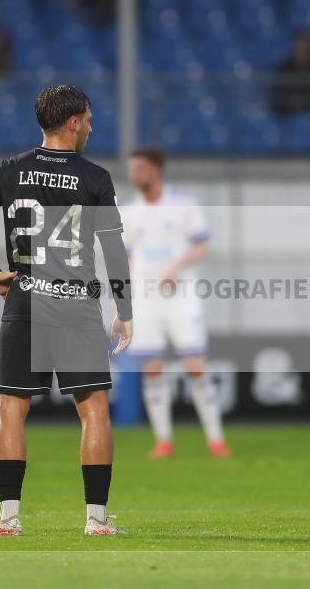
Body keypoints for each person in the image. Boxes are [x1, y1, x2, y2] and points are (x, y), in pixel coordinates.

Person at [0, 85, 132, 537]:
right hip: (76, 306)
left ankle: (8, 519)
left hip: (25, 299)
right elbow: (113, 247)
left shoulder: (9, 170)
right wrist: (124, 309)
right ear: (73, 123)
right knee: (93, 412)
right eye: (88, 120)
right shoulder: (95, 177)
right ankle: (97, 521)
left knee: (11, 409)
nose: (91, 127)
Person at [123, 146, 231, 459]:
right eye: (133, 169)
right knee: (152, 368)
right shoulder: (129, 212)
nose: (135, 175)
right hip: (147, 300)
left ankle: (215, 439)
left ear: (157, 170)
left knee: (195, 365)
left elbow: (203, 245)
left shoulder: (184, 206)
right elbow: (126, 255)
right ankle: (164, 441)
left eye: (140, 168)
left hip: (181, 298)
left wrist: (176, 267)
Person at [270, 32, 310, 114]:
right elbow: (277, 97)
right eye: (300, 47)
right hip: (287, 115)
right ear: (295, 48)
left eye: (306, 48)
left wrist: (304, 102)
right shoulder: (284, 69)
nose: (303, 51)